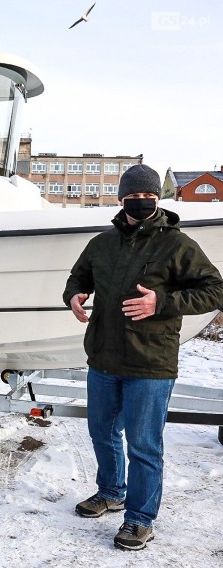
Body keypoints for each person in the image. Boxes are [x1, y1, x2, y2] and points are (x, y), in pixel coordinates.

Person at [63, 164, 223, 551]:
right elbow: (78, 276)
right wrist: (74, 294)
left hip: (150, 364)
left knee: (144, 445)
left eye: (149, 198)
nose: (141, 203)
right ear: (121, 200)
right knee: (102, 433)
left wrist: (161, 301)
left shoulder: (177, 245)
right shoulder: (102, 243)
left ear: (157, 200)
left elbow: (215, 290)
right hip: (103, 356)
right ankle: (111, 491)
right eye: (134, 198)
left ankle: (139, 519)